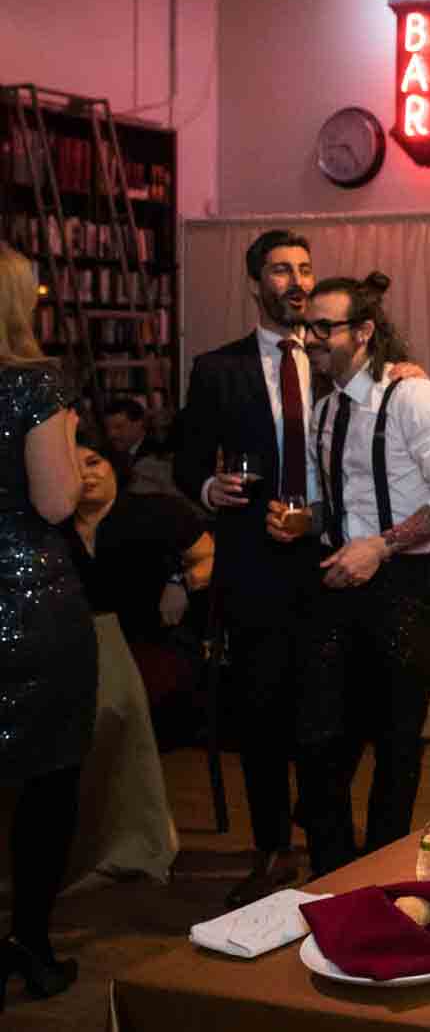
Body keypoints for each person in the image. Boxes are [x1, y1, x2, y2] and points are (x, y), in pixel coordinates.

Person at [269, 273, 430, 875]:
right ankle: (335, 873)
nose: (310, 338)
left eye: (324, 328)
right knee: (316, 740)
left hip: (406, 589)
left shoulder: (411, 397)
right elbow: (332, 506)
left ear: (363, 332)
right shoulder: (326, 409)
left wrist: (381, 547)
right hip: (337, 583)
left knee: (396, 744)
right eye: (307, 327)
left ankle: (380, 872)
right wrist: (301, 523)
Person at [174, 228, 323, 905]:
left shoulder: (337, 358)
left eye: (304, 269)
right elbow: (185, 462)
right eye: (281, 270)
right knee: (261, 712)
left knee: (328, 708)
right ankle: (271, 849)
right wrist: (209, 490)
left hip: (330, 559)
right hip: (254, 563)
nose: (296, 281)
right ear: (256, 282)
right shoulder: (217, 368)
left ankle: (326, 833)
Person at [0, 243, 91, 1004]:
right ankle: (29, 940)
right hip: (28, 603)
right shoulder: (34, 383)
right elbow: (58, 501)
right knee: (46, 779)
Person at [66, 433, 213, 744]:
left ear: (115, 467)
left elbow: (211, 557)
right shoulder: (53, 530)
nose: (85, 474)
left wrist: (182, 583)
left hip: (154, 644)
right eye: (73, 466)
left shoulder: (158, 511)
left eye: (94, 462)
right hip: (83, 653)